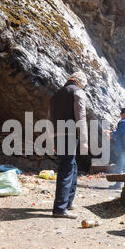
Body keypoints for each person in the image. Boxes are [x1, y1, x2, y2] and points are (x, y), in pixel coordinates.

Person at [48, 71, 89, 219]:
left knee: (72, 165)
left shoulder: (56, 95)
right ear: (79, 82)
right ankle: (59, 208)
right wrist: (84, 140)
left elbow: (50, 119)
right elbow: (81, 118)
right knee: (66, 168)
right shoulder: (78, 92)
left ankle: (68, 201)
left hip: (59, 135)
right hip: (70, 135)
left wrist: (52, 140)